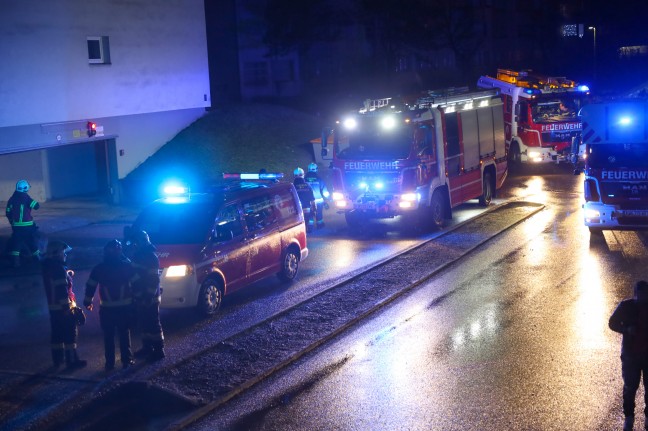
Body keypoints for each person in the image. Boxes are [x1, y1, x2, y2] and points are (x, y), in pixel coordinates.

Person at [84, 239, 136, 371]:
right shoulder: (127, 266)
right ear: (119, 251)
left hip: (107, 309)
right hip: (125, 308)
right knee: (124, 334)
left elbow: (91, 286)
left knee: (108, 336)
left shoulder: (99, 268)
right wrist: (138, 300)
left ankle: (110, 363)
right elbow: (137, 284)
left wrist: (87, 301)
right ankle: (127, 360)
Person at [40, 240, 87, 370]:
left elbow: (55, 285)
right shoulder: (58, 269)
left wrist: (67, 274)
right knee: (70, 335)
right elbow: (61, 290)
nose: (65, 255)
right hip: (63, 309)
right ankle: (72, 362)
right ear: (57, 253)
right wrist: (67, 308)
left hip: (54, 309)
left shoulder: (49, 267)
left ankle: (58, 360)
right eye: (63, 252)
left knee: (57, 335)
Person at [609, 280, 648, 431]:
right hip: (630, 357)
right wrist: (626, 329)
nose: (643, 298)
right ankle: (629, 418)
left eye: (646, 295)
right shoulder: (626, 306)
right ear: (635, 294)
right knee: (630, 387)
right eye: (641, 295)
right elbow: (612, 323)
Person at [129, 230, 165, 362]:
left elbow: (154, 280)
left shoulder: (151, 257)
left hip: (150, 297)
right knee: (143, 323)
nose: (134, 245)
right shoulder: (138, 255)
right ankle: (147, 347)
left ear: (141, 242)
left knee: (153, 324)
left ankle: (159, 350)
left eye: (136, 242)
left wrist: (148, 297)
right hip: (140, 295)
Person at [6, 179, 40, 267]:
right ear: (25, 189)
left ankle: (15, 263)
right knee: (31, 241)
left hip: (16, 226)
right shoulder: (26, 198)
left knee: (16, 243)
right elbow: (37, 206)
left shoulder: (12, 199)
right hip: (28, 226)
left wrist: (12, 222)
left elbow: (8, 212)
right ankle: (37, 259)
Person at [304, 162, 330, 228]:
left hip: (308, 200)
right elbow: (325, 192)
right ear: (316, 169)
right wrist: (329, 199)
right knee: (319, 213)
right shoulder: (319, 179)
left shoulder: (304, 179)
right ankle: (320, 225)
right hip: (318, 200)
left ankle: (310, 227)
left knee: (310, 214)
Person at [293, 167, 316, 232]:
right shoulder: (307, 185)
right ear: (303, 174)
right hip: (307, 208)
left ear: (294, 176)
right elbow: (312, 198)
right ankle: (310, 229)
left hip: (296, 209)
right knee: (309, 218)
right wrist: (314, 208)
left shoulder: (292, 186)